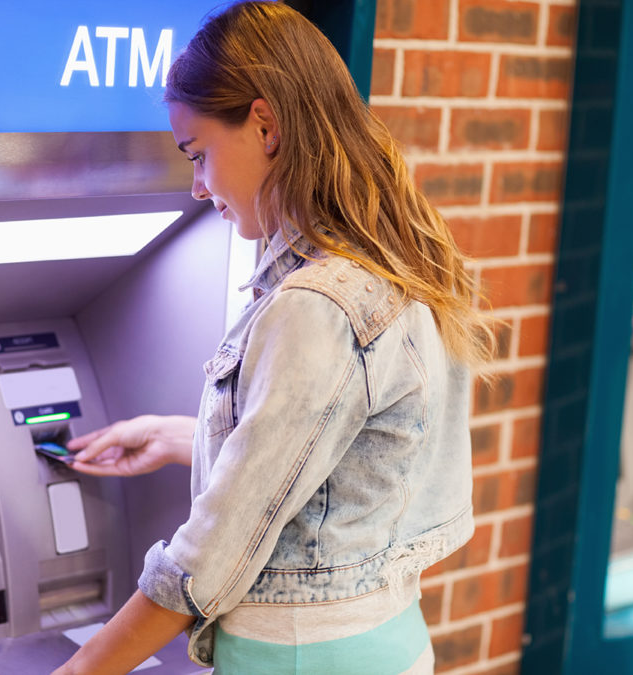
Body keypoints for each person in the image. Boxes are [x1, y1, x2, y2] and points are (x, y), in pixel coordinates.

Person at [52, 2, 496, 673]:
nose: (198, 188)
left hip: (298, 656)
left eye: (198, 155)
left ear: (264, 125)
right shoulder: (394, 261)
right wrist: (177, 437)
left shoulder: (317, 304)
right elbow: (337, 458)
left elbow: (211, 557)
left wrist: (78, 666)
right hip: (380, 640)